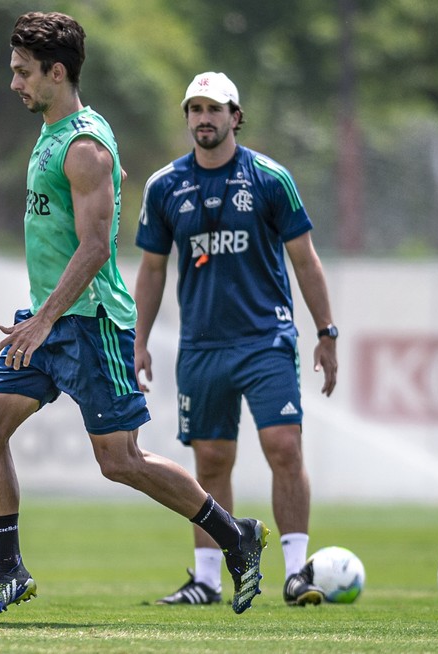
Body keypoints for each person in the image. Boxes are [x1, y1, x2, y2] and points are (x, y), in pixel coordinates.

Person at [0, 13, 270, 622]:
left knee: (120, 460)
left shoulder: (84, 148)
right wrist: (41, 318)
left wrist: (44, 320)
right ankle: (10, 569)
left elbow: (96, 247)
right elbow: (97, 188)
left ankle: (236, 536)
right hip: (48, 320)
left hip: (89, 322)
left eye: (23, 73)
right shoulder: (62, 135)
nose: (14, 83)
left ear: (57, 72)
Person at [133, 72, 339, 607]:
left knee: (284, 447)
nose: (204, 118)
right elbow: (152, 270)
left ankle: (297, 574)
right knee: (211, 460)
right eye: (195, 109)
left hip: (266, 339)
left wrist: (326, 331)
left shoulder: (270, 178)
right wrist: (139, 340)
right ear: (187, 117)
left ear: (235, 117)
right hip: (201, 347)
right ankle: (206, 580)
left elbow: (305, 260)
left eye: (215, 109)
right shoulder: (164, 186)